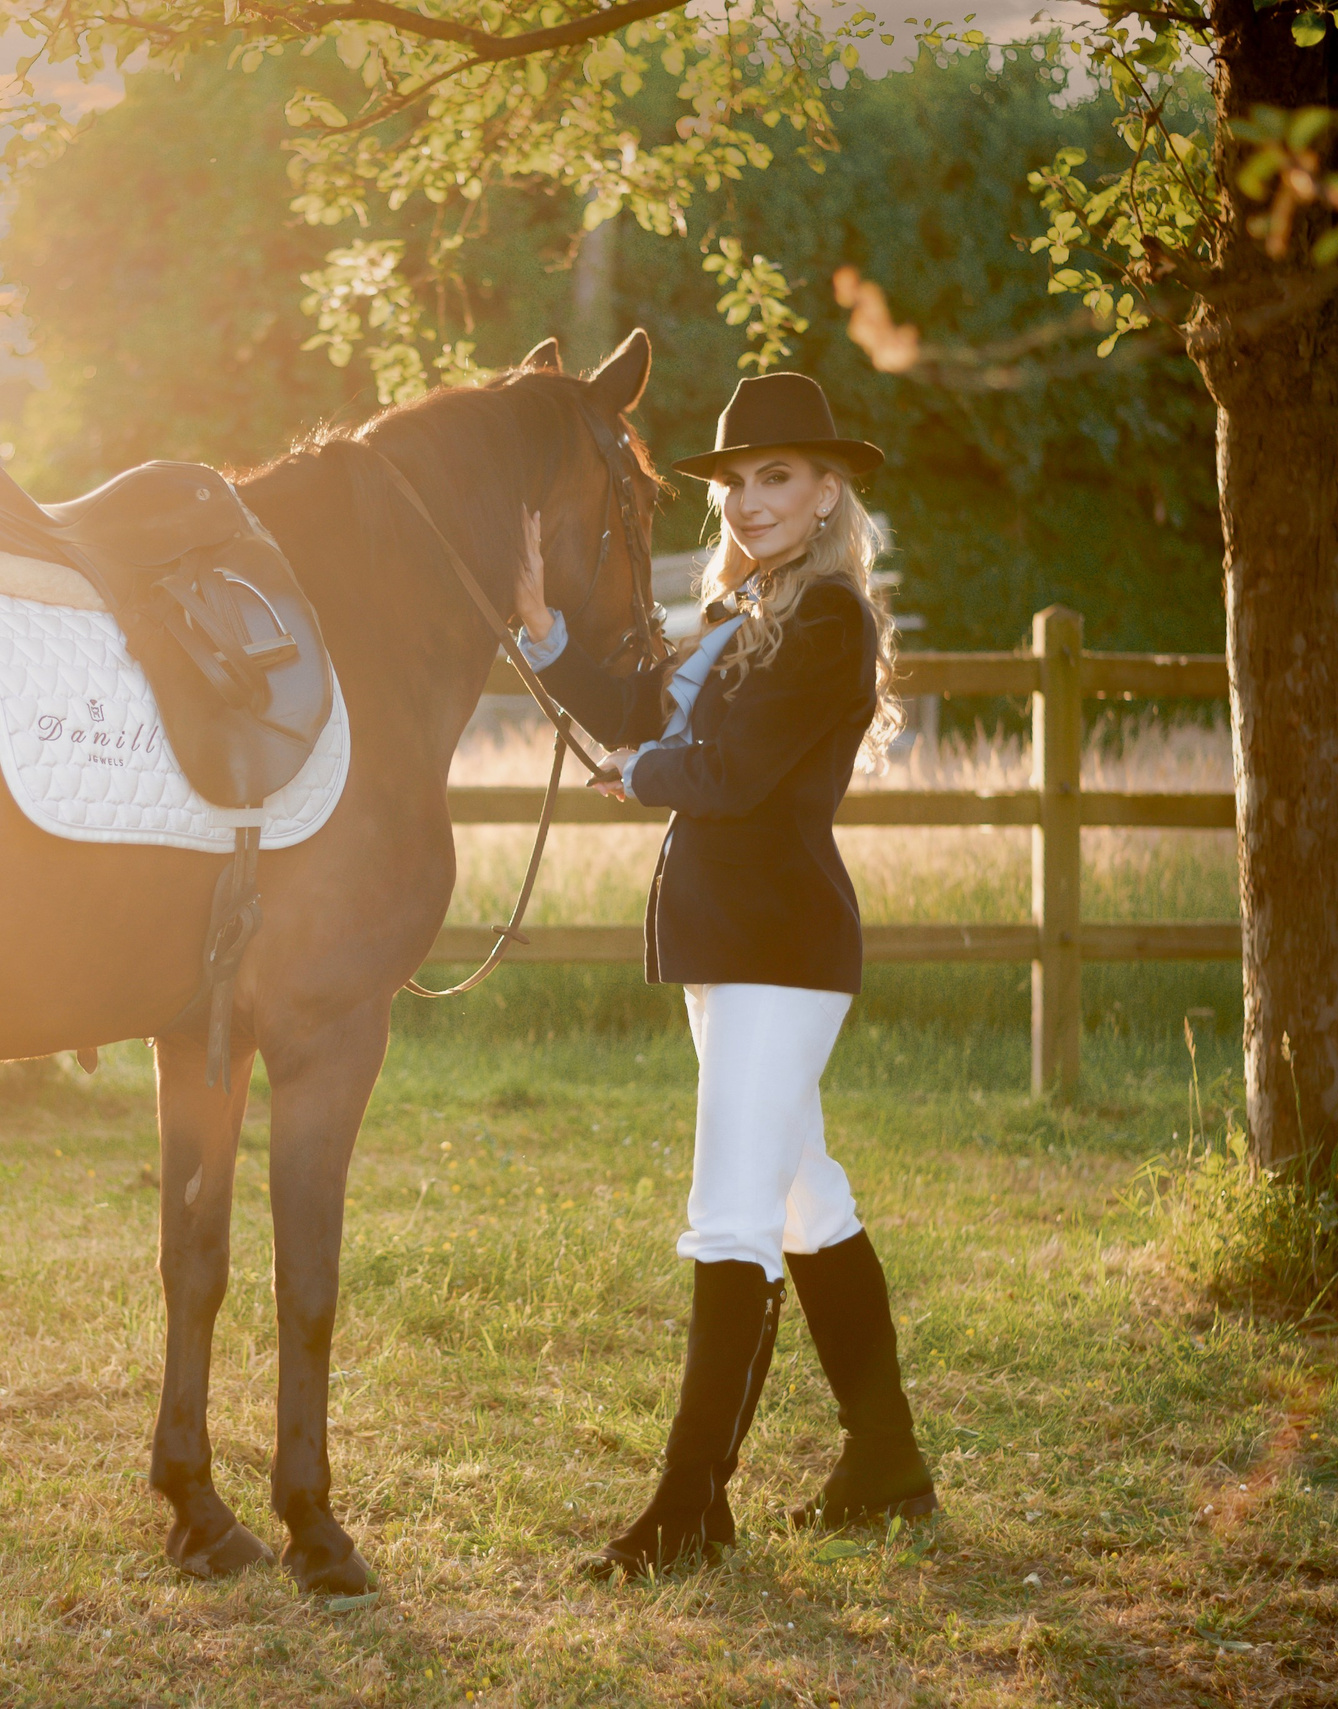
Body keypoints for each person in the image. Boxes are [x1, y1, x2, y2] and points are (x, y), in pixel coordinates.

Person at [515, 371, 937, 1580]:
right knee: (808, 1198)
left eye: (779, 478)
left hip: (780, 943)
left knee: (731, 1219)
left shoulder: (830, 621)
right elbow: (635, 707)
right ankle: (885, 1465)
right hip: (730, 939)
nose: (750, 502)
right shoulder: (738, 618)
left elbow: (734, 769)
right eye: (737, 481)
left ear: (826, 492)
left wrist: (646, 773)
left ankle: (691, 1506)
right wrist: (544, 631)